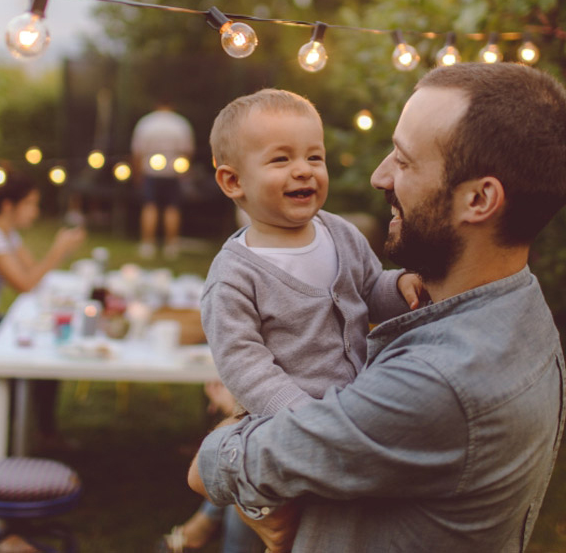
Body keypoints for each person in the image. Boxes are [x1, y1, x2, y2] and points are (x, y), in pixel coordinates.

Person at [188, 62, 566, 552]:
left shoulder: (439, 383)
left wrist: (228, 437)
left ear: (479, 199)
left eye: (403, 160)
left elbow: (208, 469)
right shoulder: (519, 309)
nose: (379, 176)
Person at [161, 89, 421, 553]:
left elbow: (369, 291)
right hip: (286, 426)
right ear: (232, 181)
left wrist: (399, 288)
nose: (303, 169)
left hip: (349, 415)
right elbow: (243, 363)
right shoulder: (235, 274)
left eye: (314, 156)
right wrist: (298, 413)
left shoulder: (340, 234)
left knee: (332, 523)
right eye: (281, 159)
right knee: (271, 527)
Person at [0, 172, 85, 445]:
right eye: (30, 204)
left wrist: (55, 255)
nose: (35, 213)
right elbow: (25, 284)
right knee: (40, 346)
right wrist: (57, 251)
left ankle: (40, 429)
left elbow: (33, 275)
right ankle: (31, 432)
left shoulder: (7, 235)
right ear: (8, 206)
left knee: (47, 342)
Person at [131, 100, 195, 260]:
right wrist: (184, 172)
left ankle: (147, 244)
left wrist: (137, 174)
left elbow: (137, 152)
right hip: (173, 172)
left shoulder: (146, 123)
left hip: (150, 171)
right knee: (172, 208)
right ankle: (171, 246)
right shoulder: (180, 124)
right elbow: (187, 152)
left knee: (149, 206)